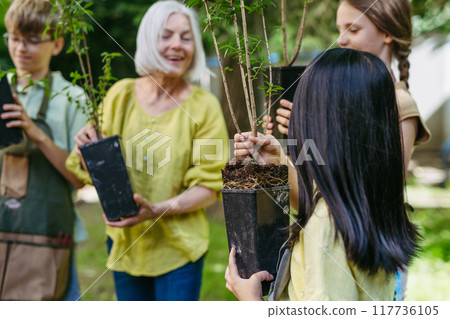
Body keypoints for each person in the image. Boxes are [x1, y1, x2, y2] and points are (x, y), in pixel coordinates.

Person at [264, 0, 431, 299]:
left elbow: (369, 192)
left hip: (362, 248)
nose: (340, 39)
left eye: (352, 29)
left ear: (388, 34)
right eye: (339, 28)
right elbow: (323, 193)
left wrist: (309, 127)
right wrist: (289, 149)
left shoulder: (398, 104)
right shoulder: (348, 89)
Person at [225, 48, 420, 301]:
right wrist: (280, 163)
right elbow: (317, 201)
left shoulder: (326, 228)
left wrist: (251, 303)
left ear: (318, 126)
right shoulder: (370, 200)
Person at [66, 0, 229, 301]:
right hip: (126, 243)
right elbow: (92, 169)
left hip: (180, 249)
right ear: (148, 41)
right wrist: (86, 147)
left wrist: (157, 210)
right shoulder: (120, 95)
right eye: (166, 35)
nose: (177, 46)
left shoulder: (203, 107)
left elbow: (209, 186)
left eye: (186, 36)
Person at [0, 0, 88, 300]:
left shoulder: (72, 98)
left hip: (49, 239)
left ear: (57, 44)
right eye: (14, 38)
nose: (21, 48)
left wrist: (37, 135)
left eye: (33, 40)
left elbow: (80, 179)